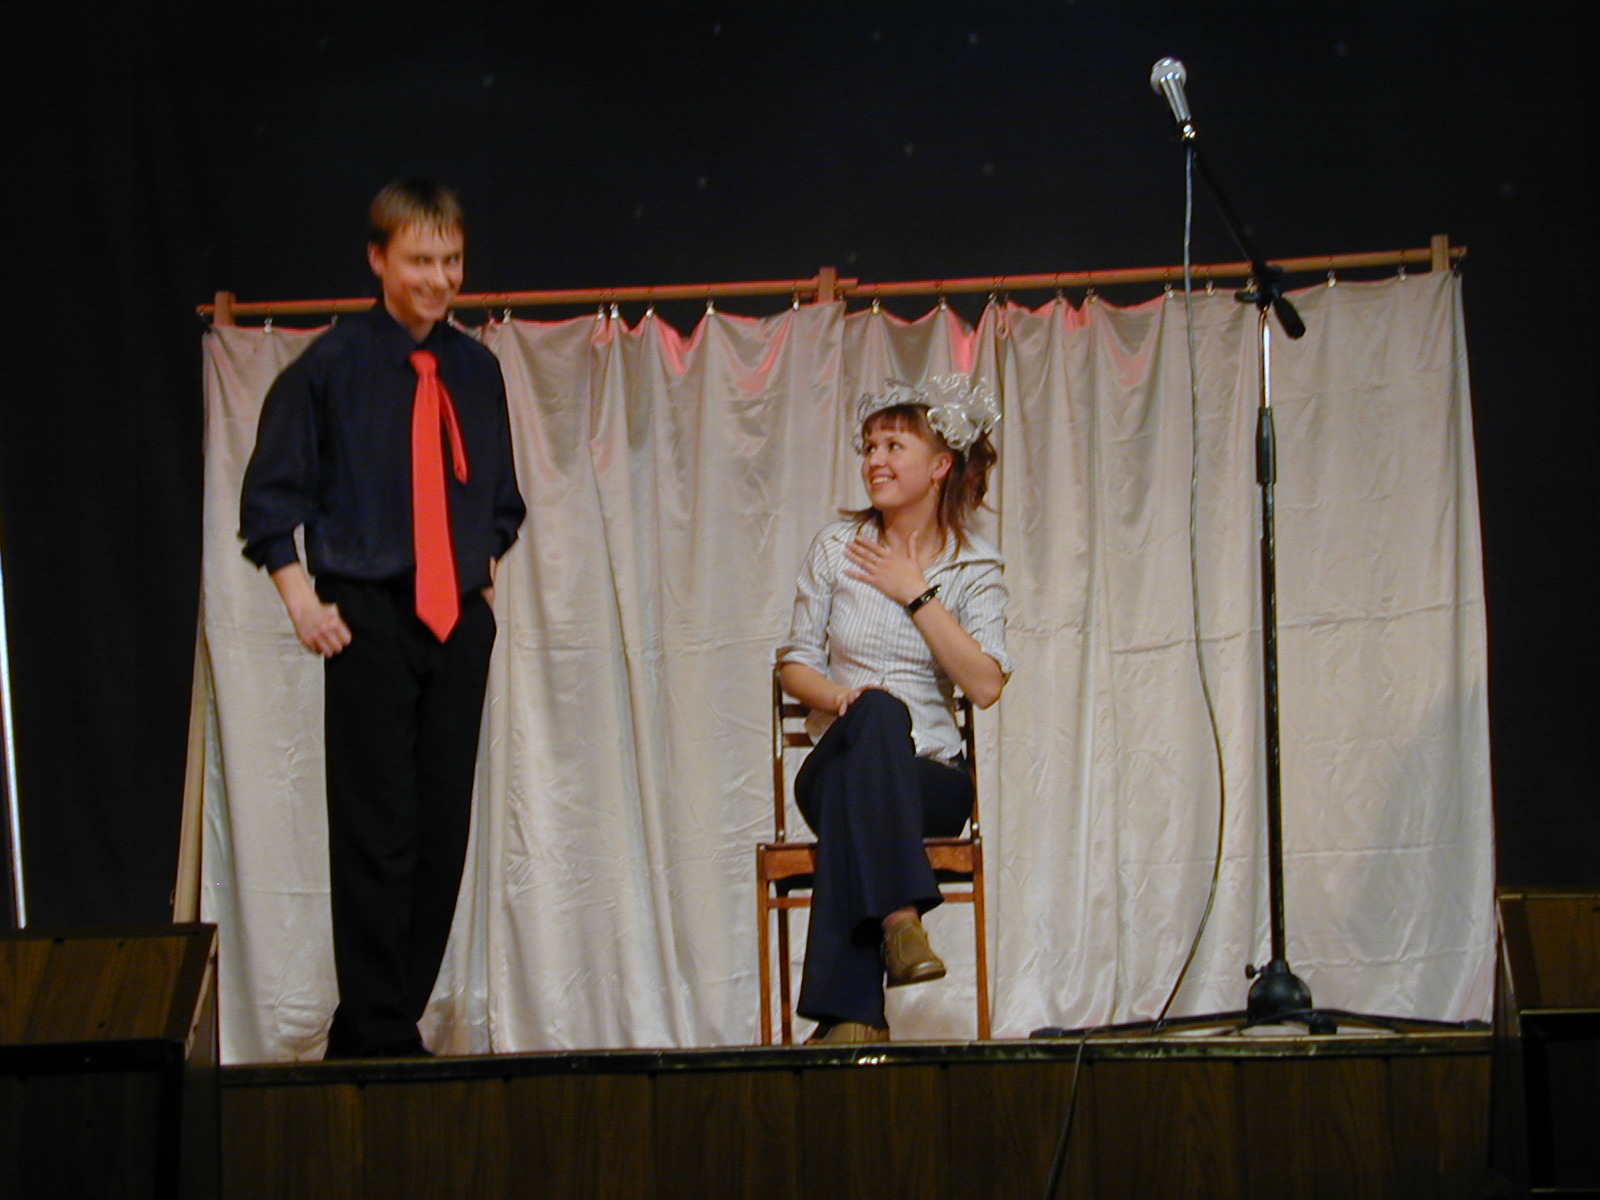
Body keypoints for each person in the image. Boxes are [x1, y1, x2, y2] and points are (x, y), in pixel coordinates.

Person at [239, 179, 526, 1058]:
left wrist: (477, 583)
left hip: (455, 618)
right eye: (420, 260)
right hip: (367, 612)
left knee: (441, 830)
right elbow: (270, 499)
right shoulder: (330, 366)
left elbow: (500, 501)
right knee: (377, 828)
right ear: (379, 260)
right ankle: (374, 1027)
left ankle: (383, 1021)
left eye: (452, 261)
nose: (439, 278)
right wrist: (301, 599)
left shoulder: (475, 370)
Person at [776, 375, 1009, 1043]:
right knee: (876, 713)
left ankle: (852, 1016)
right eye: (870, 446)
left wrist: (917, 594)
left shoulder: (973, 566)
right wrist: (840, 698)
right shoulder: (836, 547)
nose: (874, 460)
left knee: (863, 792)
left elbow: (985, 685)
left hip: (929, 781)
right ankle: (900, 918)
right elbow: (794, 664)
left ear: (939, 466)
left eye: (893, 446)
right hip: (837, 761)